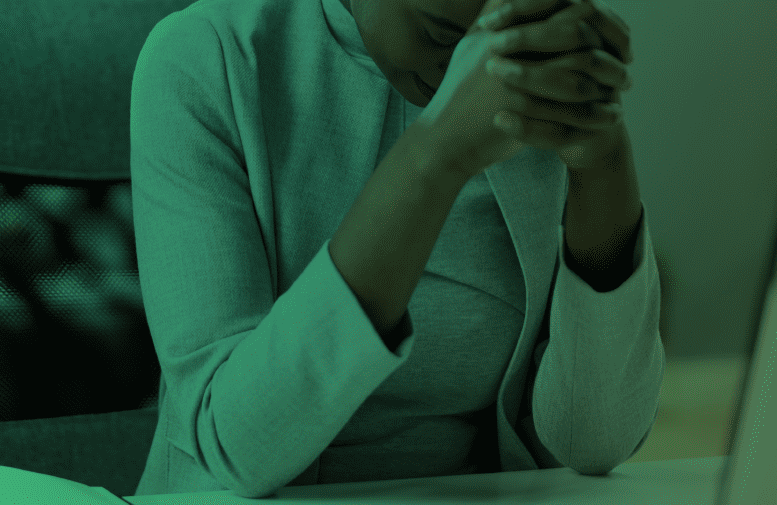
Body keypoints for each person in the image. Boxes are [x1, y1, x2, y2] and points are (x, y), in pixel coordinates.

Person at [129, 0, 664, 498]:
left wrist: (603, 158)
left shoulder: (525, 60)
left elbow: (595, 442)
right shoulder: (201, 60)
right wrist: (436, 157)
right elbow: (235, 443)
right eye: (446, 34)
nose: (472, 61)